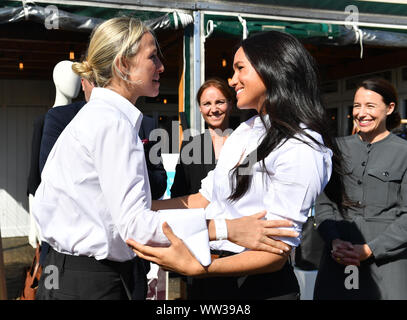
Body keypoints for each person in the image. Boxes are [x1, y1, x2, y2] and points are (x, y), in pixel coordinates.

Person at [32, 17, 293, 300]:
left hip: (79, 275)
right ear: (123, 64)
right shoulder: (112, 123)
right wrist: (228, 229)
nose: (161, 66)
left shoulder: (99, 118)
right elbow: (135, 225)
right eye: (152, 56)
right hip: (93, 281)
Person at [127, 30, 343, 300]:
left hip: (255, 285)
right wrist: (137, 207)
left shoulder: (301, 145)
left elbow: (276, 250)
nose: (232, 80)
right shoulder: (247, 129)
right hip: (213, 273)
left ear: (272, 68)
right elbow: (203, 199)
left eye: (240, 68)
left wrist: (203, 268)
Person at [313, 78, 407, 300]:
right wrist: (334, 240)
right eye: (357, 106)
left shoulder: (403, 152)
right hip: (338, 262)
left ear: (390, 108)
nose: (361, 113)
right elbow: (323, 202)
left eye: (370, 106)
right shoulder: (336, 149)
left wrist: (370, 249)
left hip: (386, 266)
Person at [170, 77, 233, 197]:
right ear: (200, 108)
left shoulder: (245, 141)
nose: (214, 109)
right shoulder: (190, 147)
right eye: (207, 104)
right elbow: (178, 193)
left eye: (219, 102)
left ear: (230, 104)